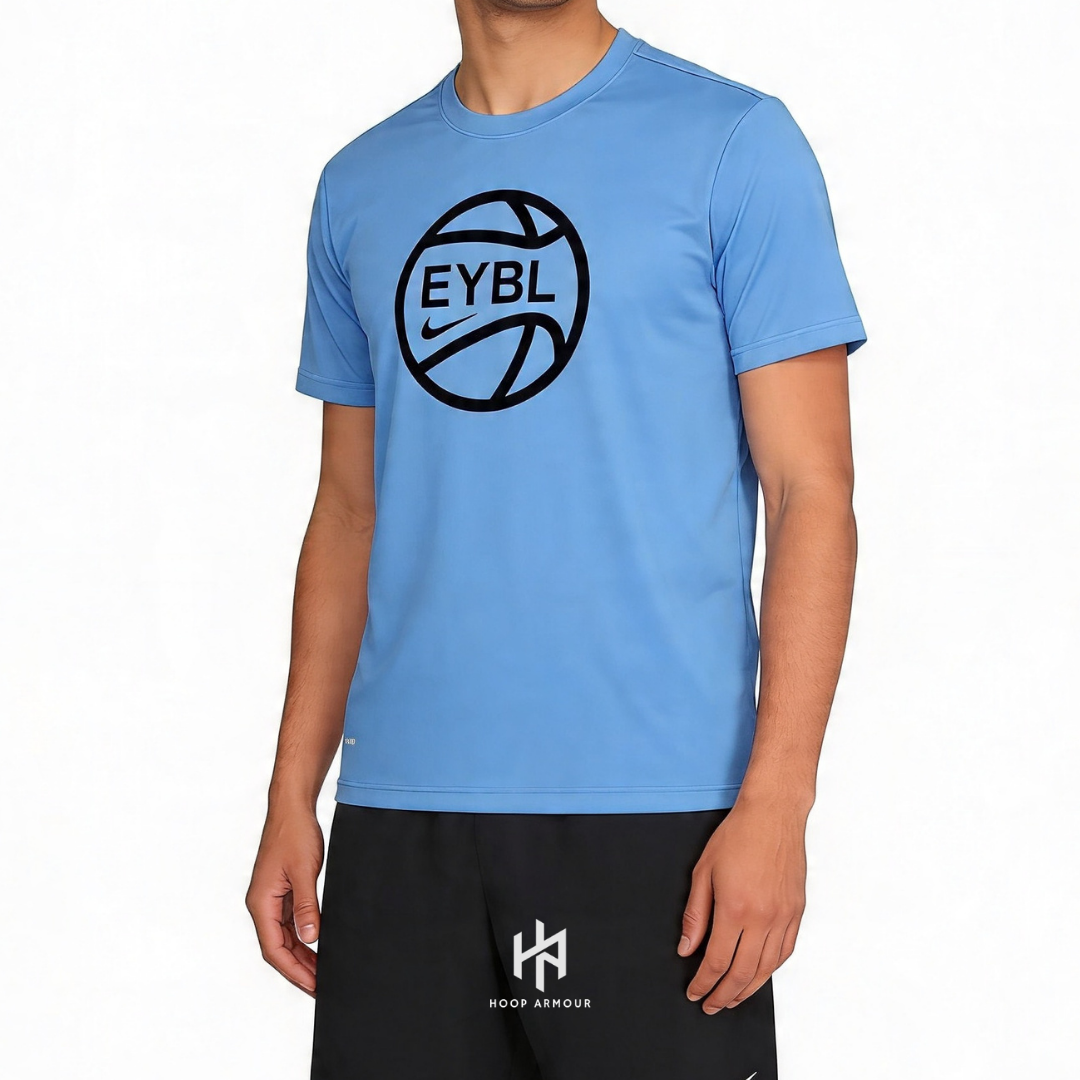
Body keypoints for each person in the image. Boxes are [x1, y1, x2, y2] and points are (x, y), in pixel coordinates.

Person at [246, 1, 865, 1076]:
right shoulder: (361, 184)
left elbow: (810, 491)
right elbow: (348, 510)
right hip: (402, 815)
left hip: (656, 819)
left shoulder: (733, 144)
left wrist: (779, 801)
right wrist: (291, 792)